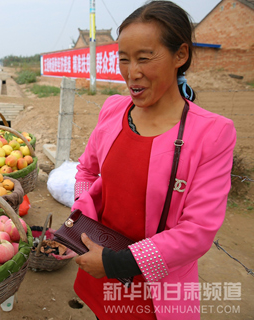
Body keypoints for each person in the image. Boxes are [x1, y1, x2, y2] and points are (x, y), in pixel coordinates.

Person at [71, 1, 236, 319]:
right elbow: (87, 170)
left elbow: (198, 230)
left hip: (154, 289)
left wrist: (116, 263)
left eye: (145, 59)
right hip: (98, 269)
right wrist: (79, 227)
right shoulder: (113, 111)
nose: (132, 73)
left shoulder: (212, 134)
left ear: (181, 55)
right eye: (124, 60)